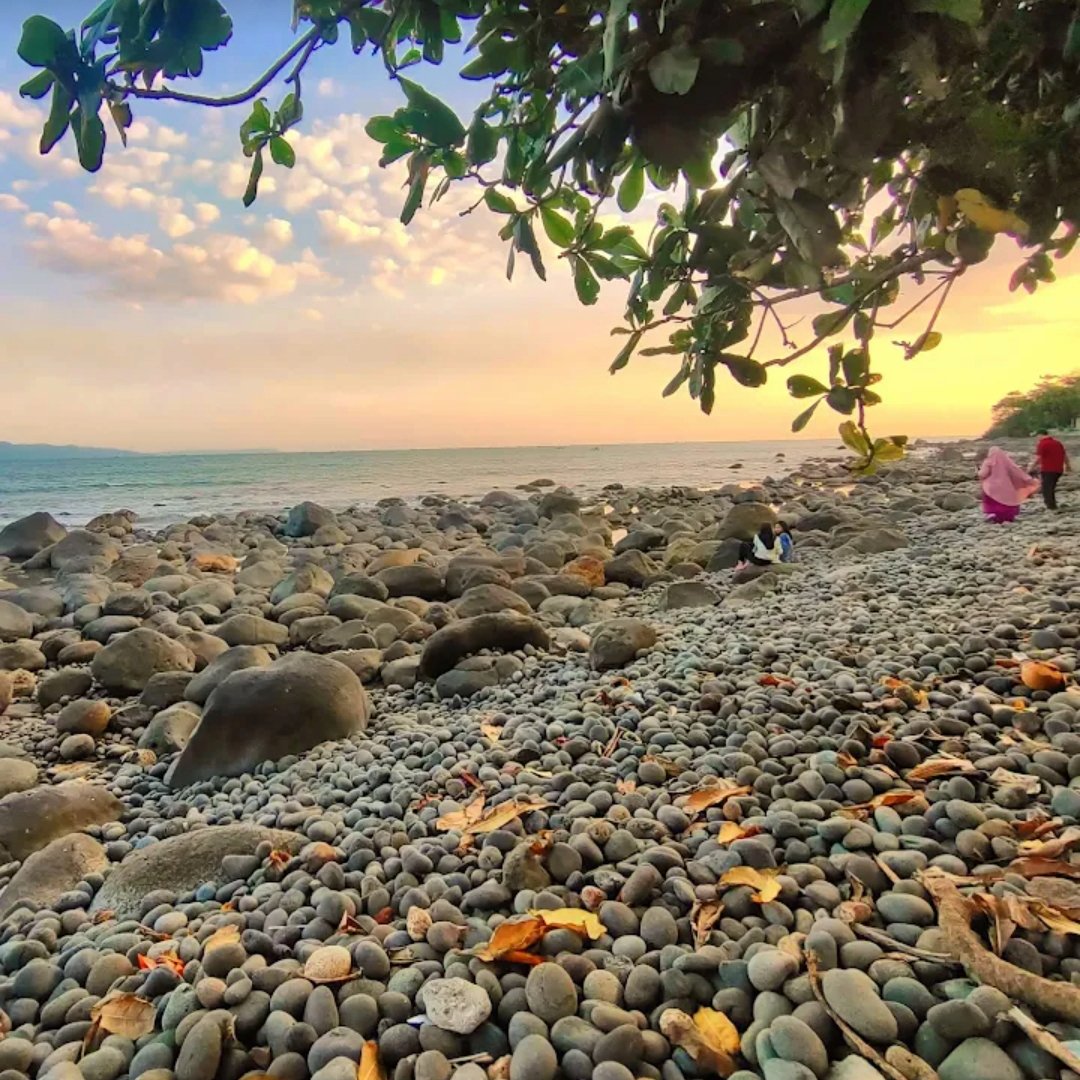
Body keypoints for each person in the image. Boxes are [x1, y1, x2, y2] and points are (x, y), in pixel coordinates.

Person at [979, 446, 1039, 523]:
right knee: (1008, 500)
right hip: (1006, 486)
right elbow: (1017, 472)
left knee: (991, 501)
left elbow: (982, 474)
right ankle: (1008, 516)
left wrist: (979, 472)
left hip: (992, 487)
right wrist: (1029, 480)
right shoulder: (1007, 462)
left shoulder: (988, 461)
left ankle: (993, 515)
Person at [1033, 430, 1069, 510]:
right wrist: (1068, 466)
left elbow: (1038, 458)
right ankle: (1052, 505)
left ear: (1040, 435)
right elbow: (1065, 455)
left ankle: (1051, 507)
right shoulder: (1057, 443)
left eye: (1037, 436)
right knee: (1051, 487)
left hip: (1048, 469)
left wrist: (1031, 467)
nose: (1037, 438)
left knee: (1046, 488)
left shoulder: (1042, 444)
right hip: (1058, 470)